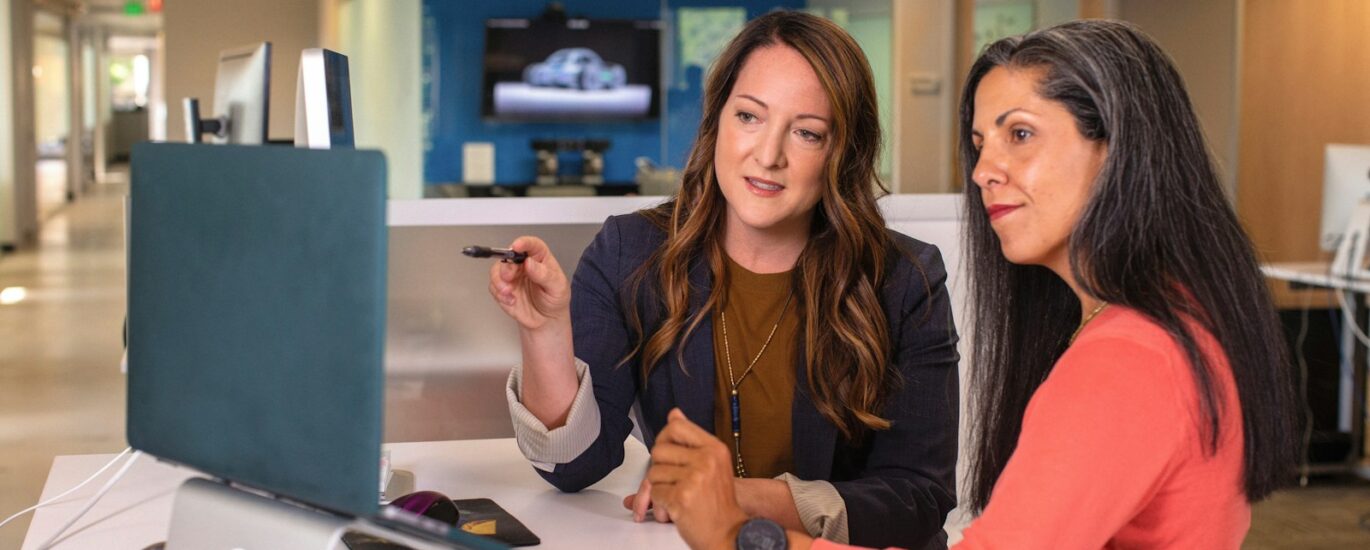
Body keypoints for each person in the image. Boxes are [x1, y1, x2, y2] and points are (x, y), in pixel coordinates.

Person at [645, 19, 1298, 550]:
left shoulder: (1128, 360)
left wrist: (742, 537)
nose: (985, 169)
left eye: (1020, 135)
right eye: (981, 143)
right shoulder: (1183, 317)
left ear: (1119, 148)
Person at [485, 10, 960, 549]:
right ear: (717, 122)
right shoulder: (630, 252)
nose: (768, 155)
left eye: (806, 132)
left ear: (841, 153)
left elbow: (918, 499)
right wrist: (545, 331)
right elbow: (573, 468)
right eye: (750, 117)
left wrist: (732, 498)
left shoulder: (904, 279)